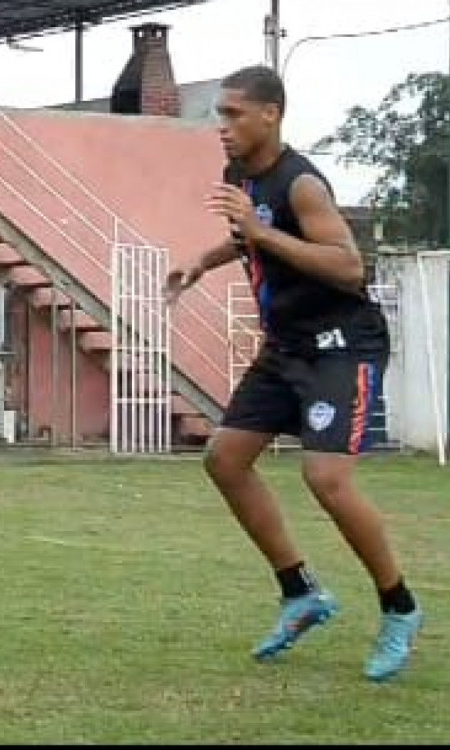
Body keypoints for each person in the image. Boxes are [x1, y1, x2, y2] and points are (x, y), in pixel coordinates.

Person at [165, 65, 421, 683]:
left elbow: (347, 266)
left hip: (340, 347)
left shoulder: (301, 183)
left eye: (232, 114)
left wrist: (257, 231)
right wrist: (206, 258)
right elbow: (254, 238)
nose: (220, 126)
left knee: (326, 478)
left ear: (270, 115)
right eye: (219, 114)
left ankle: (400, 606)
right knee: (225, 460)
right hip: (285, 348)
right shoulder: (239, 176)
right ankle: (301, 592)